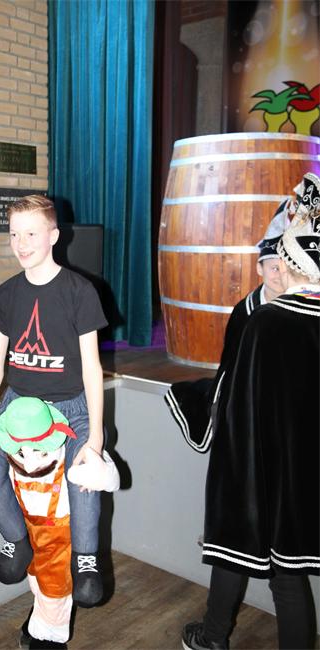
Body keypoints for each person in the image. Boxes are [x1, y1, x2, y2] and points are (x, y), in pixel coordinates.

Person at [182, 171, 320, 650]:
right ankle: (213, 634)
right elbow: (236, 376)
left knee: (258, 557)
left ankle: (212, 637)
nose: (273, 274)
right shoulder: (254, 314)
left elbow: (241, 400)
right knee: (281, 571)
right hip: (300, 466)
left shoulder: (267, 322)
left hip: (264, 462)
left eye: (280, 264)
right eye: (268, 265)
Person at [0, 194, 108, 607]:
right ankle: (15, 540)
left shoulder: (80, 292)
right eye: (14, 234)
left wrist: (95, 437)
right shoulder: (6, 295)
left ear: (54, 236)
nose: (21, 243)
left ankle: (85, 558)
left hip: (70, 407)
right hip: (17, 404)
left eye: (31, 233)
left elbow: (92, 368)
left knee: (84, 477)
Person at [0, 397, 120, 649]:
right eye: (21, 453)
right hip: (30, 533)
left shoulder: (68, 448)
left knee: (55, 593)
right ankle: (39, 618)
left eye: (40, 452)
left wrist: (101, 469)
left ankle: (49, 639)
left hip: (59, 540)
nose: (30, 463)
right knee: (38, 583)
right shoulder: (13, 447)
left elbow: (109, 477)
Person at [164, 204, 290, 452]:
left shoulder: (296, 308)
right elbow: (232, 363)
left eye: (285, 269)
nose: (280, 276)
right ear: (259, 268)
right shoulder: (245, 312)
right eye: (274, 268)